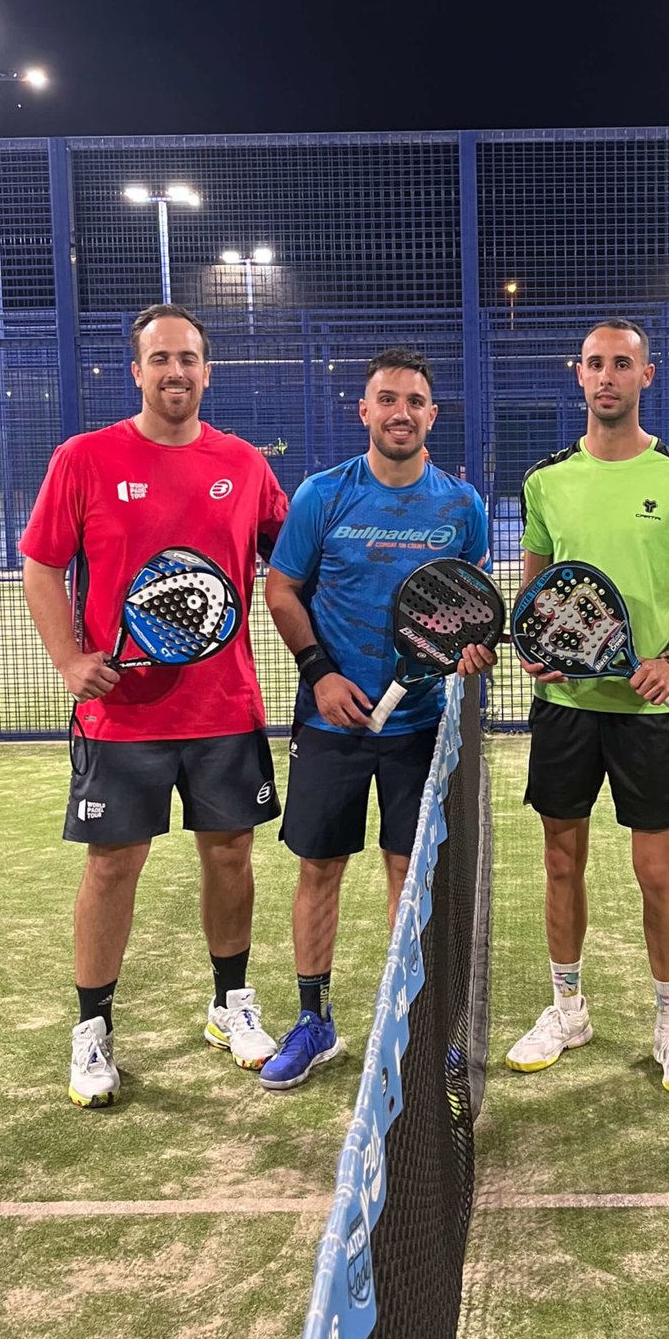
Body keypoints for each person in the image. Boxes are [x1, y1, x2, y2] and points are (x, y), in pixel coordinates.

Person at [20, 304, 289, 1109]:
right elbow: (41, 565)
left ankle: (231, 1004)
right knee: (112, 865)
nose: (176, 371)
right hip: (121, 714)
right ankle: (93, 1027)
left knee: (231, 855)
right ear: (136, 370)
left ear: (208, 371)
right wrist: (69, 660)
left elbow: (292, 560)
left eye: (189, 358)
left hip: (224, 708)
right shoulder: (84, 457)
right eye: (161, 358)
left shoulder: (243, 463)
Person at [261, 348, 493, 1089]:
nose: (401, 412)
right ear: (364, 411)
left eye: (415, 401)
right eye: (387, 399)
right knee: (319, 868)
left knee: (409, 875)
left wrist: (470, 652)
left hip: (420, 727)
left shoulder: (461, 505)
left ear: (433, 414)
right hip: (331, 722)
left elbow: (469, 608)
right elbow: (281, 589)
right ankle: (314, 1021)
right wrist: (319, 674)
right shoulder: (323, 495)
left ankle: (413, 1028)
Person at [505, 318, 669, 1098]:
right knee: (561, 861)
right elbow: (535, 591)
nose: (607, 376)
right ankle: (568, 1009)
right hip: (564, 705)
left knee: (655, 872)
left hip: (646, 713)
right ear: (579, 374)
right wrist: (530, 643)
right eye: (595, 363)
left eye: (622, 363)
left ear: (645, 375)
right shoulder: (547, 481)